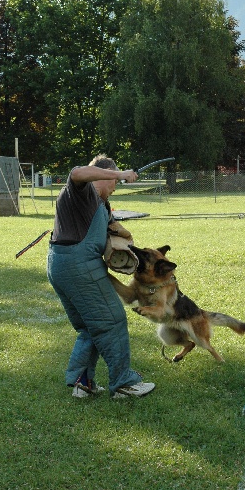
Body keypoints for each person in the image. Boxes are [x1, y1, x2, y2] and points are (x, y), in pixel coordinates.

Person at [47, 154, 155, 399]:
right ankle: (124, 383)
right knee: (112, 320)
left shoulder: (102, 205)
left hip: (61, 266)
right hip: (79, 267)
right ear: (103, 176)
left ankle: (82, 383)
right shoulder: (82, 191)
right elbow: (77, 172)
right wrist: (120, 173)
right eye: (113, 181)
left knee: (90, 327)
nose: (115, 187)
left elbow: (112, 233)